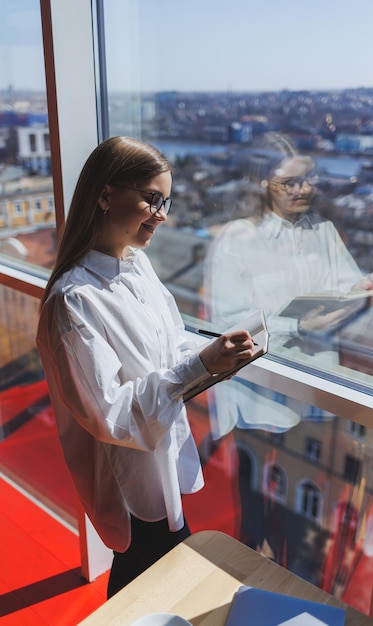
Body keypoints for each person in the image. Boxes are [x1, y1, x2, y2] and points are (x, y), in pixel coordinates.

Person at [36, 136, 256, 598]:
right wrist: (198, 365)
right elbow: (109, 415)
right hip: (129, 482)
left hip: (160, 463)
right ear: (104, 194)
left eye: (166, 201)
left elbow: (170, 342)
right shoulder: (73, 301)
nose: (163, 214)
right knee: (153, 586)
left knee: (155, 588)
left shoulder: (137, 267)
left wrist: (213, 357)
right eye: (152, 199)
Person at [204, 140, 373, 436]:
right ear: (262, 184)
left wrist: (365, 287)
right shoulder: (237, 240)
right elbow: (227, 324)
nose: (301, 189)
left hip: (320, 390)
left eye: (307, 180)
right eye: (289, 182)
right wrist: (297, 326)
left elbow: (345, 290)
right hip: (264, 399)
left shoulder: (323, 232)